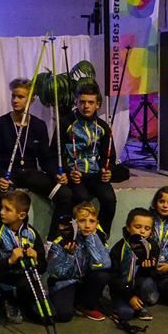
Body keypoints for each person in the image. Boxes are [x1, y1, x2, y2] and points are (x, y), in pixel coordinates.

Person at [0, 78, 71, 226]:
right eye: (13, 96)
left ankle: (54, 237)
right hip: (8, 174)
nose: (15, 100)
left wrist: (56, 174)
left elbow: (45, 159)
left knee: (65, 194)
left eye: (20, 97)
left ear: (31, 100)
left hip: (31, 174)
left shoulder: (39, 125)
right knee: (4, 200)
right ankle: (8, 237)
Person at [57, 82, 117, 234]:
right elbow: (55, 153)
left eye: (91, 102)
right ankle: (74, 236)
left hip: (96, 175)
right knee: (81, 198)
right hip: (75, 174)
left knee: (109, 200)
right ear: (76, 102)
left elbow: (109, 156)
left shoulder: (103, 127)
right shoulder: (65, 124)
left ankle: (101, 237)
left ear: (98, 104)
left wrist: (107, 170)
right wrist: (67, 171)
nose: (86, 106)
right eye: (82, 102)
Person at [0, 190, 46, 324]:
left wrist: (36, 258)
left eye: (7, 209)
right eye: (1, 207)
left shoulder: (31, 233)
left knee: (48, 317)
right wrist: (10, 260)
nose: (1, 212)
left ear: (21, 215)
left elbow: (43, 266)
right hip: (4, 280)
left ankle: (27, 303)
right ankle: (9, 301)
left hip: (27, 280)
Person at [46, 203, 111, 322]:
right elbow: (54, 273)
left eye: (92, 221)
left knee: (102, 275)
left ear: (97, 223)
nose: (87, 225)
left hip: (84, 282)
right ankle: (64, 300)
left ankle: (85, 305)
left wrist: (90, 241)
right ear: (74, 223)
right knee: (64, 315)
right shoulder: (61, 241)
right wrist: (69, 255)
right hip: (66, 282)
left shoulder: (99, 238)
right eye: (82, 221)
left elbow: (104, 264)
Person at [109, 207, 160, 322]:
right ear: (128, 227)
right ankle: (122, 304)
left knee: (147, 283)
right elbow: (113, 278)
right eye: (138, 227)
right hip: (121, 289)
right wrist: (129, 297)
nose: (142, 231)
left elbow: (153, 274)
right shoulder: (118, 249)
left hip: (139, 286)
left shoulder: (152, 247)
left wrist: (148, 268)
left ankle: (142, 305)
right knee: (126, 314)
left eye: (147, 228)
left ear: (151, 231)